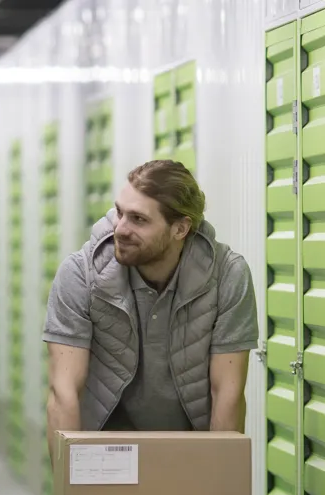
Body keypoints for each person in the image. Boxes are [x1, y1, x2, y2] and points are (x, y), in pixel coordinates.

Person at [43, 159, 258, 457]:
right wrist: (69, 490)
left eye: (138, 219)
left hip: (189, 452)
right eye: (119, 213)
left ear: (180, 228)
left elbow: (228, 395)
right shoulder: (81, 274)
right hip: (104, 453)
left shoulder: (227, 276)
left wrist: (218, 485)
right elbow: (63, 394)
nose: (120, 229)